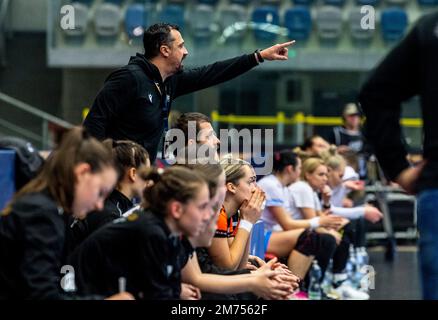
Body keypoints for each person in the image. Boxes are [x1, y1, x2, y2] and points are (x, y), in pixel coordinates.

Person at [83, 23, 295, 163]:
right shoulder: (129, 78)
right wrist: (102, 169)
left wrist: (258, 56)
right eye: (181, 46)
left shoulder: (168, 82)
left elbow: (212, 73)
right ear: (165, 50)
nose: (186, 52)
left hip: (137, 175)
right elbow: (94, 124)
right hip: (112, 175)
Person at [358, 11, 437, 299]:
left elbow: (376, 92)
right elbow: (377, 93)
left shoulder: (431, 28)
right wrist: (397, 166)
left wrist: (397, 167)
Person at [0, 127, 132, 300]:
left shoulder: (51, 209)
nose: (100, 205)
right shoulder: (41, 213)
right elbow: (42, 295)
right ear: (83, 173)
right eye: (100, 192)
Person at [69, 166, 211, 300]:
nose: (208, 215)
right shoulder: (151, 232)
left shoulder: (169, 233)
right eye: (202, 207)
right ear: (176, 209)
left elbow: (169, 288)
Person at [180, 162, 298, 300]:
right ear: (230, 187)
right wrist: (247, 222)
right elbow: (228, 266)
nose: (257, 188)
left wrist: (249, 220)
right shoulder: (218, 213)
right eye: (251, 181)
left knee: (260, 272)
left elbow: (239, 265)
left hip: (211, 274)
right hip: (209, 281)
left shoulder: (233, 212)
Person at [258, 151, 344, 281]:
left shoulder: (282, 187)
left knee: (315, 237)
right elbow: (287, 224)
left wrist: (323, 215)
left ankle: (306, 286)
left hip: (271, 233)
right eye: (299, 168)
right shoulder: (271, 185)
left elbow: (289, 222)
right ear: (290, 169)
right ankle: (294, 287)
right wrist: (318, 222)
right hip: (259, 236)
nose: (300, 172)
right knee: (310, 237)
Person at [68, 139, 150, 250]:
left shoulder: (113, 207)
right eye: (148, 173)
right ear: (133, 174)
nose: (150, 181)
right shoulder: (112, 215)